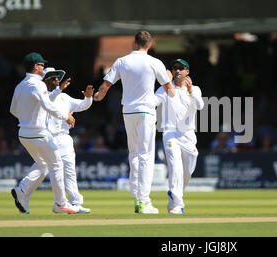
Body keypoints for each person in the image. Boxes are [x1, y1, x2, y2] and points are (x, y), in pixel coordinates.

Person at [93, 31, 175, 214]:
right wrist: (169, 79)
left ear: (134, 42)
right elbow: (171, 92)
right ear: (150, 44)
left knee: (134, 154)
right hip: (146, 111)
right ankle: (144, 201)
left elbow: (105, 86)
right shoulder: (155, 62)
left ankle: (138, 197)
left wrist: (97, 97)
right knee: (145, 155)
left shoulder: (122, 61)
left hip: (128, 112)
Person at [13, 67, 94, 214]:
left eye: (58, 78)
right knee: (45, 166)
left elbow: (82, 105)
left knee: (68, 171)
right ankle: (57, 202)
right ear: (45, 81)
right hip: (47, 137)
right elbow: (48, 104)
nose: (57, 81)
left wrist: (88, 97)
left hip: (64, 137)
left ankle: (75, 202)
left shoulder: (64, 97)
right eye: (53, 78)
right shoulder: (40, 96)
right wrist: (65, 113)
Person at [154, 59, 204, 214]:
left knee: (188, 171)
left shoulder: (195, 89)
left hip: (188, 135)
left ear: (187, 72)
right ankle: (178, 204)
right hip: (170, 133)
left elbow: (200, 106)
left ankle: (174, 194)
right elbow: (153, 101)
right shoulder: (165, 89)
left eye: (181, 68)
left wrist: (189, 92)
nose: (177, 71)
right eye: (175, 68)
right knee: (175, 167)